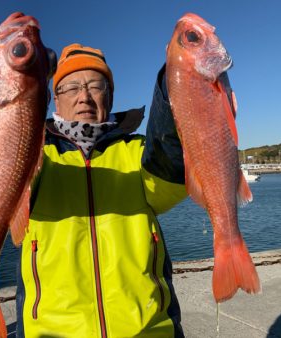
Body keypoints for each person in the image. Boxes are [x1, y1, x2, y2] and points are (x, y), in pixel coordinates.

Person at [15, 43, 188, 337]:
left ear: (110, 96)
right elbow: (7, 193)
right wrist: (32, 78)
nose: (84, 97)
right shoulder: (35, 153)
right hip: (51, 331)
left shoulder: (139, 151)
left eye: (96, 86)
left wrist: (174, 79)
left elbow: (170, 184)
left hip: (147, 330)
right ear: (54, 99)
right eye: (71, 87)